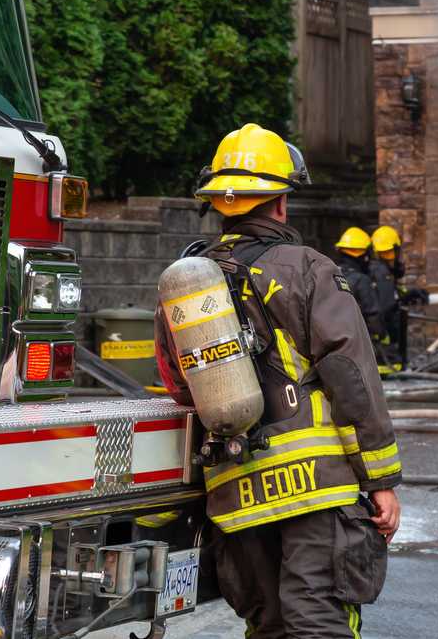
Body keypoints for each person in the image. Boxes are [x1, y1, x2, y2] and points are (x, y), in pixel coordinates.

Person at [154, 124, 402, 638]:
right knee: (319, 622)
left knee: (268, 627)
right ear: (281, 203)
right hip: (316, 489)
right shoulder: (309, 270)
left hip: (235, 492)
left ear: (220, 203)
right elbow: (351, 376)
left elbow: (180, 385)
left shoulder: (186, 284)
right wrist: (380, 480)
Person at [368, 225, 429, 373]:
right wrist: (404, 299)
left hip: (382, 349)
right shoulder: (382, 273)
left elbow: (390, 296)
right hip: (385, 352)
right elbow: (388, 307)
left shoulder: (376, 270)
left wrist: (409, 295)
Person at [335, 226, 387, 347]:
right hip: (356, 343)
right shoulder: (362, 280)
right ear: (364, 255)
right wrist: (381, 335)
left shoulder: (330, 274)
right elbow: (372, 315)